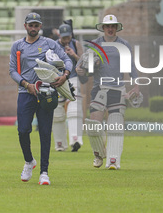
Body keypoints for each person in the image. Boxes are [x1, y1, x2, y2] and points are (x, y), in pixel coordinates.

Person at [9, 12, 72, 185]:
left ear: (40, 27)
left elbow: (66, 60)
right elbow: (12, 70)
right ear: (25, 26)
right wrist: (25, 84)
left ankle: (44, 172)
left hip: (47, 93)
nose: (34, 28)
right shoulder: (17, 46)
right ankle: (29, 161)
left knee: (45, 132)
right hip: (25, 93)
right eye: (31, 25)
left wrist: (65, 75)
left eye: (37, 25)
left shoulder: (49, 44)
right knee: (23, 130)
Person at [76, 14, 140, 170]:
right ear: (103, 28)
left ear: (116, 28)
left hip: (118, 89)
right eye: (107, 26)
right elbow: (81, 68)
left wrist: (136, 85)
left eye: (113, 26)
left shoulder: (124, 45)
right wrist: (80, 71)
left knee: (116, 126)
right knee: (93, 125)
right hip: (99, 88)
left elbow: (131, 67)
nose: (110, 29)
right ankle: (98, 154)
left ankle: (113, 160)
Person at [52, 23, 84, 152]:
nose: (66, 40)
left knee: (74, 109)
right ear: (59, 35)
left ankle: (75, 140)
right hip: (58, 79)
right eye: (64, 37)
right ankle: (60, 144)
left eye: (68, 37)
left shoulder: (76, 44)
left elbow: (84, 61)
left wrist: (73, 55)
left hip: (73, 78)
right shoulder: (53, 45)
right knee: (57, 111)